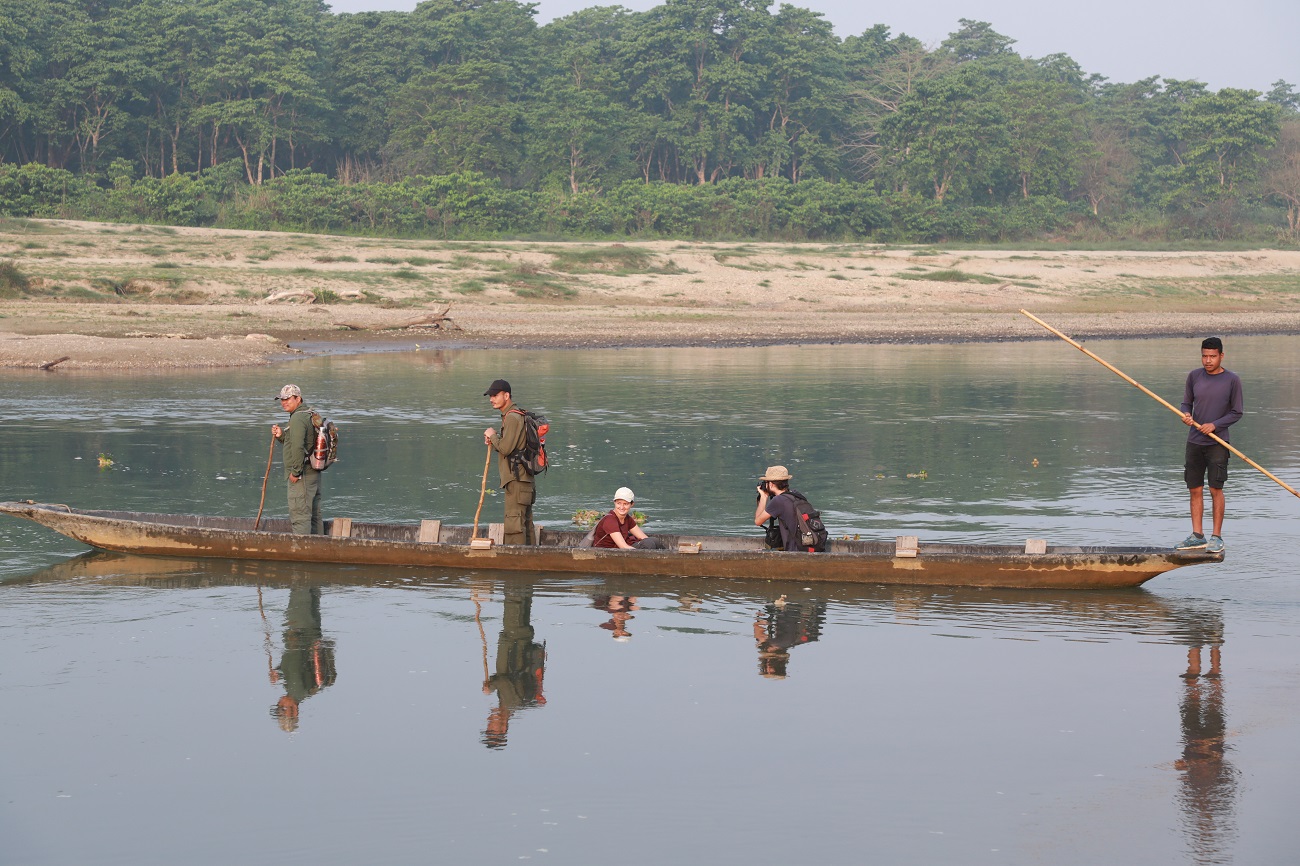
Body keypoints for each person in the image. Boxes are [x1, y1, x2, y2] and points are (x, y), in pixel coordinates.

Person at [1176, 338, 1243, 553]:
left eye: (1212, 356)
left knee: (1216, 488)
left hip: (1218, 442)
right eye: (1204, 356)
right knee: (1194, 488)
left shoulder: (1232, 380)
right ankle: (1197, 535)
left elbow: (1236, 412)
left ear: (1222, 356)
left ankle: (1216, 537)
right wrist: (1186, 414)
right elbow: (1187, 402)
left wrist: (1214, 425)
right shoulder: (1194, 376)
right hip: (1194, 441)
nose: (1208, 360)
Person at [482, 379, 536, 545]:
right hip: (523, 480)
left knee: (514, 524)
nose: (492, 399)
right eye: (490, 396)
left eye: (495, 395)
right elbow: (512, 447)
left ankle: (518, 564)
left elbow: (506, 448)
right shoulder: (516, 415)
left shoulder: (512, 417)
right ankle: (530, 561)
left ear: (506, 395)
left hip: (516, 480)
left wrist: (492, 435)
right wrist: (495, 440)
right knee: (524, 523)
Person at [270, 383, 322, 535]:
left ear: (298, 398)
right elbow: (303, 443)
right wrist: (282, 436)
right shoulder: (308, 413)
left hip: (303, 474)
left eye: (288, 399)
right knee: (314, 515)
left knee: (300, 515)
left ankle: (303, 550)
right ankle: (318, 547)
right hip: (313, 471)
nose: (284, 402)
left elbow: (299, 447)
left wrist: (296, 472)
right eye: (282, 399)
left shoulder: (298, 418)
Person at [753, 465, 811, 552]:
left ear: (771, 484)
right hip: (807, 545)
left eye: (766, 482)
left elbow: (758, 521)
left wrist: (764, 497)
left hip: (795, 551)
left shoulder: (778, 500)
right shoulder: (796, 495)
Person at [591, 487, 666, 550]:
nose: (621, 507)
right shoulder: (610, 520)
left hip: (620, 551)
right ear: (614, 502)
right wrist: (642, 552)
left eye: (625, 504)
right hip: (607, 554)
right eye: (619, 503)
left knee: (653, 540)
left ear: (632, 504)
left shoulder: (627, 519)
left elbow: (644, 537)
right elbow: (623, 547)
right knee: (648, 543)